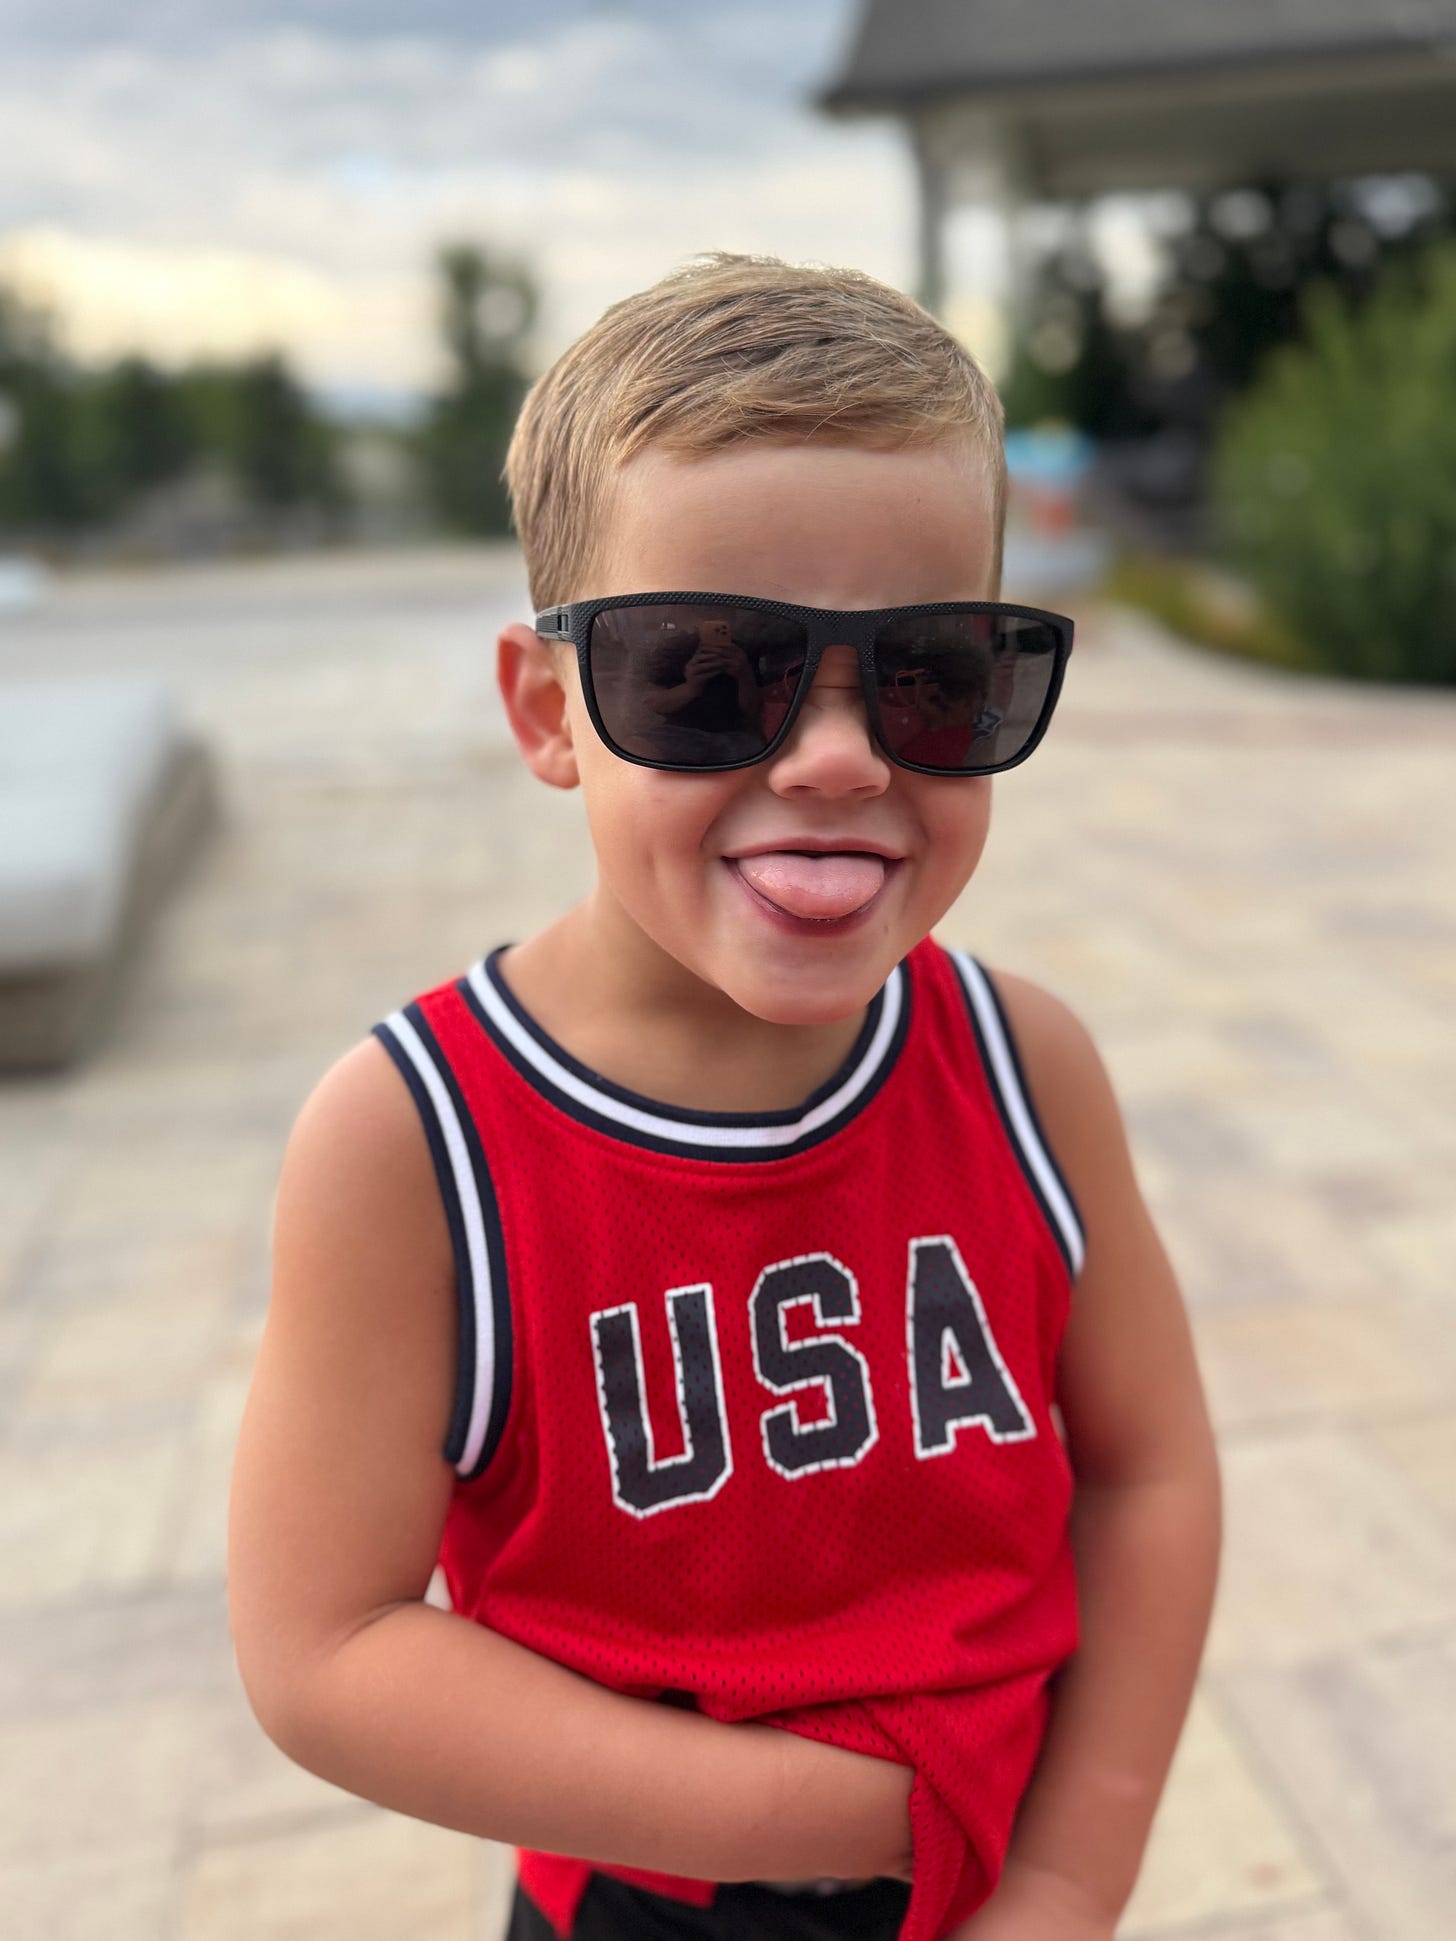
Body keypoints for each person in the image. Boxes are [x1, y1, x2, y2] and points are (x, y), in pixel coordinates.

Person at [227, 251, 1222, 1941]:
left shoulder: (1023, 1070)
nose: (838, 756)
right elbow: (324, 1647)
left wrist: (1065, 1873)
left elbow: (1151, 1472)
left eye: (934, 673)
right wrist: (833, 1813)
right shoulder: (418, 1141)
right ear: (550, 711)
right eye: (702, 672)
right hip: (651, 1903)